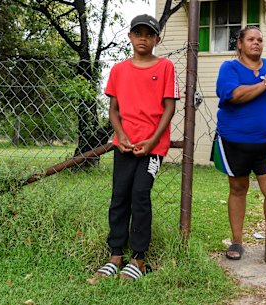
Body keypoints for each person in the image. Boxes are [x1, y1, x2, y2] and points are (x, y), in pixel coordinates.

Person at [95, 14, 180, 281]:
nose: (143, 38)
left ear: (157, 39)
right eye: (138, 33)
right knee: (119, 196)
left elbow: (169, 107)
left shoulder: (165, 67)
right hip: (125, 146)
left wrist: (153, 141)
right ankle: (115, 255)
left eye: (149, 34)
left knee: (140, 196)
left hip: (152, 148)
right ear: (130, 37)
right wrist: (121, 136)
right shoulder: (119, 70)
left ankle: (139, 259)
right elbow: (113, 110)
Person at [212, 25, 266, 261]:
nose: (256, 43)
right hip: (234, 141)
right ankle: (237, 242)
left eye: (260, 39)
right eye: (251, 39)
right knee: (238, 189)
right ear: (240, 43)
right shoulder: (229, 68)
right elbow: (234, 95)